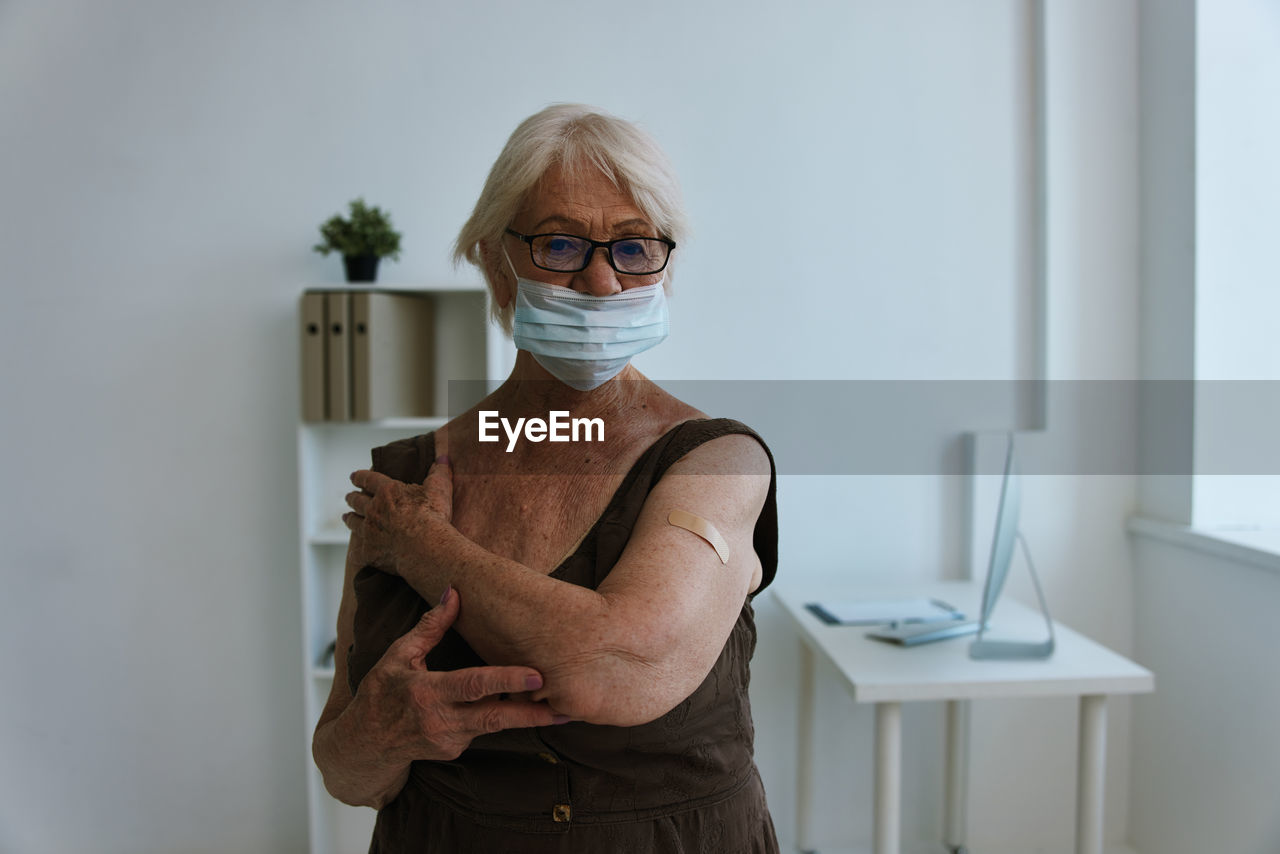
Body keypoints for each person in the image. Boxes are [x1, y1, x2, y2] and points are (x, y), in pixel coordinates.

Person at [312, 103, 780, 853]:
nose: (600, 283)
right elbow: (345, 772)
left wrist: (424, 547)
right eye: (560, 245)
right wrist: (380, 731)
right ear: (495, 261)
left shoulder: (714, 462)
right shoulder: (402, 476)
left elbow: (618, 670)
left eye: (633, 248)